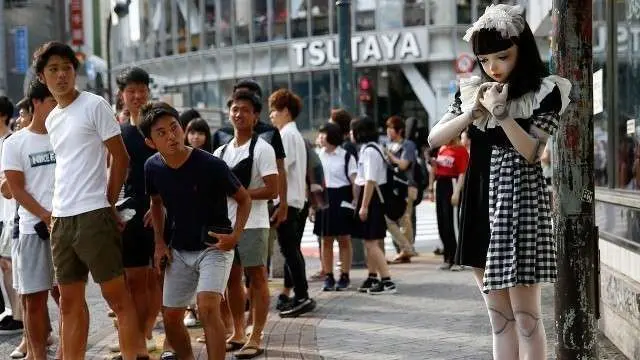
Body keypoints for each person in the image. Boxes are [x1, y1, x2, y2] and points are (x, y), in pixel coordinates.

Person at [427, 5, 571, 359]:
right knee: (500, 322)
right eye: (484, 59)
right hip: (480, 200)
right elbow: (434, 138)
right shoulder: (473, 91)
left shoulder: (546, 92)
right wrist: (471, 113)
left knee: (527, 319)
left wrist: (502, 115)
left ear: (522, 50)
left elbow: (533, 152)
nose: (493, 67)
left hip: (520, 204)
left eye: (502, 56)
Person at [34, 41, 148, 360]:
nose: (61, 76)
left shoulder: (94, 104)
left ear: (75, 72)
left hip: (93, 214)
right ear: (43, 76)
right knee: (69, 303)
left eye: (67, 68)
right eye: (53, 70)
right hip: (61, 218)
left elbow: (120, 158)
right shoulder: (53, 118)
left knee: (117, 298)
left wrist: (108, 203)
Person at [141, 101, 251, 360]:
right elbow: (155, 204)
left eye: (174, 127)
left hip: (215, 245)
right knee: (170, 316)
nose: (171, 136)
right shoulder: (152, 167)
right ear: (150, 142)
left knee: (207, 307)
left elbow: (244, 199)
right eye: (161, 133)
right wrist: (159, 243)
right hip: (178, 248)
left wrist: (235, 236)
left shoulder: (211, 165)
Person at [213, 90, 278, 358]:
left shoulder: (263, 148)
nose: (239, 114)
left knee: (258, 277)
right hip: (226, 223)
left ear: (255, 116)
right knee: (231, 279)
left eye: (245, 110)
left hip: (255, 223)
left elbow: (273, 190)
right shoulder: (220, 151)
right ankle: (238, 331)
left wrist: (240, 194)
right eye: (235, 109)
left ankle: (257, 334)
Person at [1, 80, 58, 360]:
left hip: (67, 228)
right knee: (34, 300)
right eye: (52, 101)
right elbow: (16, 189)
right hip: (32, 231)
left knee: (68, 297)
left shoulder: (65, 136)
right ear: (36, 102)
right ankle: (37, 355)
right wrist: (45, 215)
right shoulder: (15, 143)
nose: (58, 106)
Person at [112, 66, 161, 354]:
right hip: (129, 212)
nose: (137, 95)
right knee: (132, 280)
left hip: (157, 210)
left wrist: (162, 205)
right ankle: (137, 336)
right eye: (131, 90)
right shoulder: (118, 133)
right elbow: (113, 174)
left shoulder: (159, 126)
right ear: (122, 95)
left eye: (141, 89)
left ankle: (144, 333)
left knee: (152, 278)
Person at [268, 89, 316, 317]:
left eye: (274, 111)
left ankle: (302, 294)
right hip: (298, 199)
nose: (271, 116)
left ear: (285, 111)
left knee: (289, 250)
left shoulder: (286, 135)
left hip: (288, 200)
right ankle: (295, 294)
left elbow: (281, 170)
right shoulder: (295, 134)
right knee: (292, 250)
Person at [350, 116, 397, 295]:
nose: (351, 134)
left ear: (360, 132)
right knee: (371, 241)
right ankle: (372, 277)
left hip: (371, 199)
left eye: (353, 130)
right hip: (373, 198)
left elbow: (370, 180)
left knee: (371, 243)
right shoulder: (372, 148)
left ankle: (387, 281)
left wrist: (364, 206)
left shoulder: (369, 151)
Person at [314, 122, 356, 291]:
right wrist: (313, 205)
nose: (320, 137)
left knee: (344, 239)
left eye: (324, 134)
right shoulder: (318, 155)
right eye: (320, 134)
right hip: (323, 198)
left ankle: (345, 275)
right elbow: (314, 181)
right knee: (326, 239)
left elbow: (354, 181)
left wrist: (355, 202)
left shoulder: (346, 156)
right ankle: (329, 276)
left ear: (332, 136)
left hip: (342, 196)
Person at [428, 135, 468, 271]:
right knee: (442, 223)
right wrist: (431, 188)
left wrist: (457, 192)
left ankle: (458, 259)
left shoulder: (461, 150)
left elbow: (462, 173)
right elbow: (434, 170)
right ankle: (448, 257)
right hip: (440, 184)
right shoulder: (442, 148)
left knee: (453, 224)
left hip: (452, 184)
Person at [384, 116, 418, 263]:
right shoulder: (389, 145)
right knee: (395, 219)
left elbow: (404, 165)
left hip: (408, 186)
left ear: (399, 130)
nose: (388, 131)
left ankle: (407, 250)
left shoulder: (408, 145)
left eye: (390, 128)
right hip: (394, 187)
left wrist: (389, 156)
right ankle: (406, 249)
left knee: (405, 220)